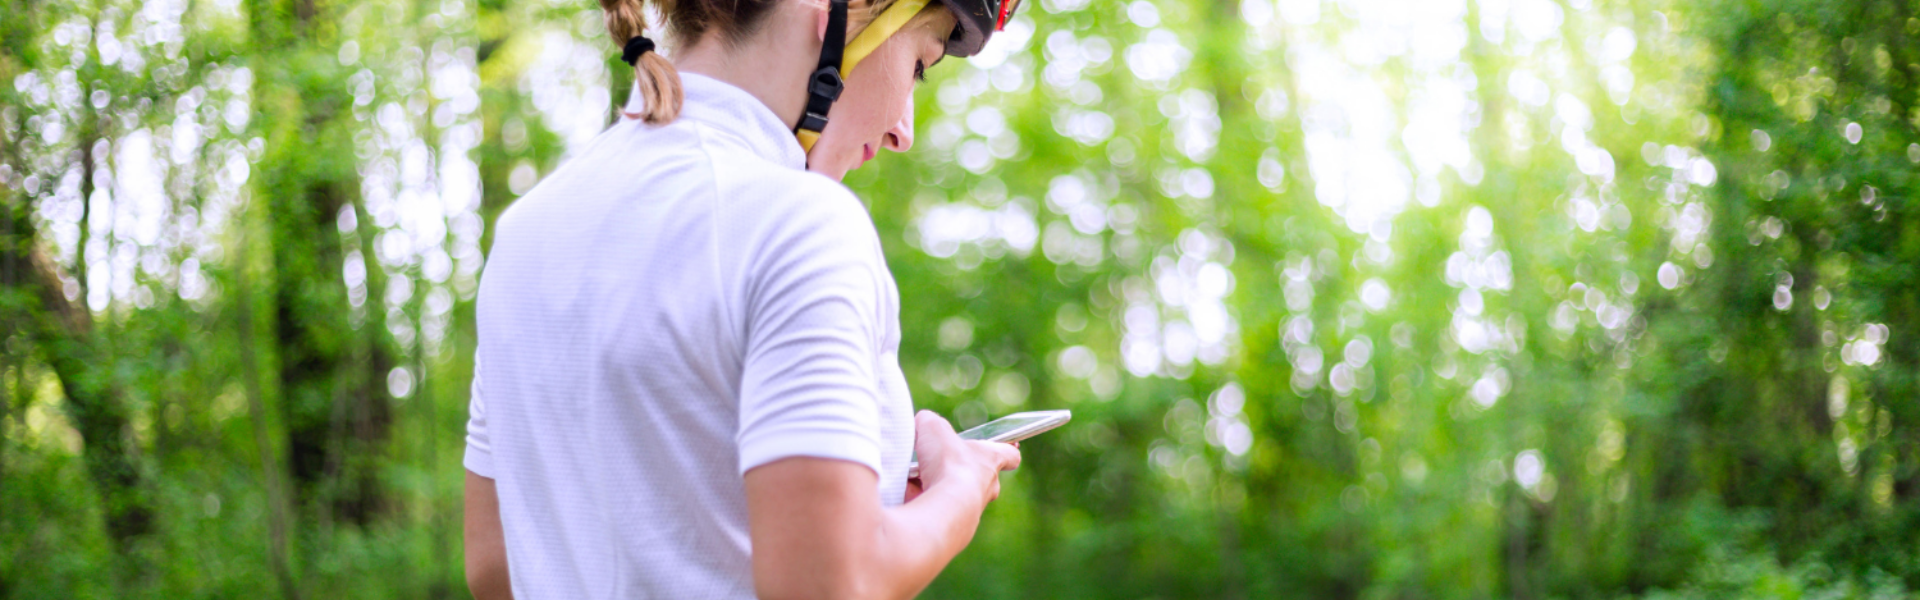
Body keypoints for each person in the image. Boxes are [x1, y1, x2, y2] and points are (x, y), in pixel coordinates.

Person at [460, 0, 1032, 597]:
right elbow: (833, 585)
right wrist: (957, 492)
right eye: (919, 63)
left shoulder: (527, 231)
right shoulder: (799, 225)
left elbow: (495, 567)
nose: (902, 131)